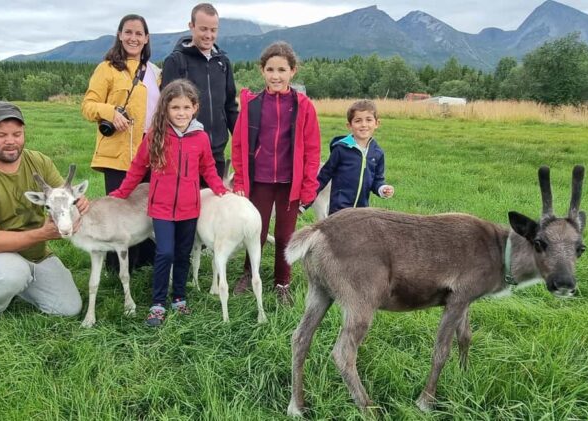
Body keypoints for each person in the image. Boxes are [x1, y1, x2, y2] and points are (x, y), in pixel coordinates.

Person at [109, 79, 229, 327]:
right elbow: (138, 166)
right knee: (165, 253)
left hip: (189, 208)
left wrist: (220, 189)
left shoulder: (201, 137)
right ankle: (158, 303)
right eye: (175, 108)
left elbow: (207, 168)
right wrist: (121, 192)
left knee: (183, 254)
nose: (181, 113)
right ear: (165, 108)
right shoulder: (155, 135)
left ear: (195, 107)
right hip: (161, 208)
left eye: (186, 107)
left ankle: (179, 298)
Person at [0, 101, 87, 316]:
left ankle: (18, 282)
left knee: (69, 308)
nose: (11, 141)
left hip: (33, 251)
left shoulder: (39, 162)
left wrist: (78, 203)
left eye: (17, 134)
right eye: (1, 135)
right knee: (12, 273)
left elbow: (63, 195)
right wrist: (43, 233)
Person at [230, 41, 321, 306]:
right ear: (262, 71)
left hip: (288, 184)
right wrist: (239, 180)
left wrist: (308, 187)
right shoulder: (252, 104)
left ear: (293, 71)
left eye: (282, 69)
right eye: (270, 69)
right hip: (258, 182)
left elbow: (312, 150)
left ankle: (282, 282)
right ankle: (250, 273)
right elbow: (238, 145)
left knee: (285, 235)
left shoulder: (303, 106)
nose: (276, 75)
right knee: (254, 231)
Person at [81, 14, 160, 271]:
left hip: (149, 151)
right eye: (128, 32)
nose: (133, 38)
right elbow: (88, 106)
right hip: (118, 153)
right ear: (119, 34)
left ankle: (145, 257)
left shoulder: (154, 72)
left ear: (146, 38)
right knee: (119, 207)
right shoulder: (107, 68)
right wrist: (110, 112)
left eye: (139, 34)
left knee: (146, 206)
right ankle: (117, 266)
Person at [161, 3, 239, 179]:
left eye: (213, 30)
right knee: (186, 206)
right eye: (203, 29)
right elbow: (166, 109)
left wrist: (243, 140)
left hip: (216, 155)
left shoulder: (223, 63)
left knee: (214, 205)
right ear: (191, 26)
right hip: (184, 154)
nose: (209, 35)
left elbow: (230, 107)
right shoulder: (175, 62)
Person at [315, 100, 395, 215]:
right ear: (349, 125)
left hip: (361, 212)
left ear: (377, 123)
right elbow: (324, 175)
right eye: (358, 120)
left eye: (368, 120)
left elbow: (377, 180)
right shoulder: (340, 149)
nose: (363, 124)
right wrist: (306, 202)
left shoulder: (377, 153)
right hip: (339, 210)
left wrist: (382, 189)